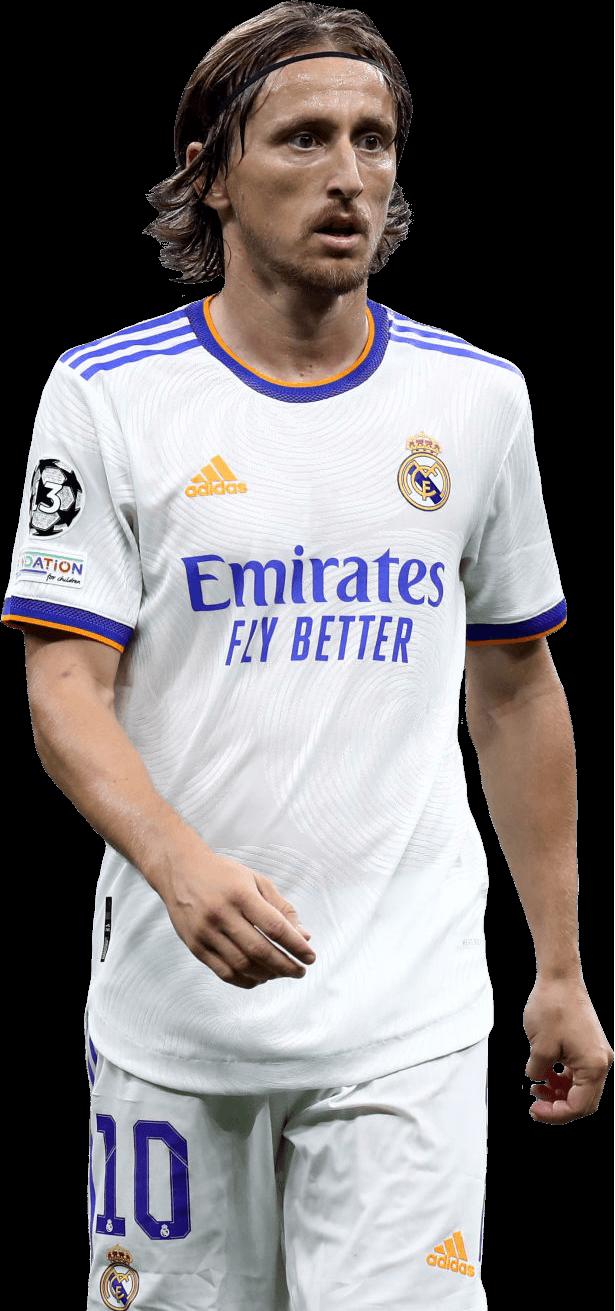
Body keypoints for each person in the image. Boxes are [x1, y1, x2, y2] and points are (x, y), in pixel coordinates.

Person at [3, 4, 613, 1309]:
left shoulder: (476, 399)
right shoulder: (107, 397)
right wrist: (181, 869)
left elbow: (516, 689)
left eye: (373, 140)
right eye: (303, 139)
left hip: (408, 1017)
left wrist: (560, 968)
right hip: (174, 1028)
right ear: (213, 173)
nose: (349, 175)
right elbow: (62, 687)